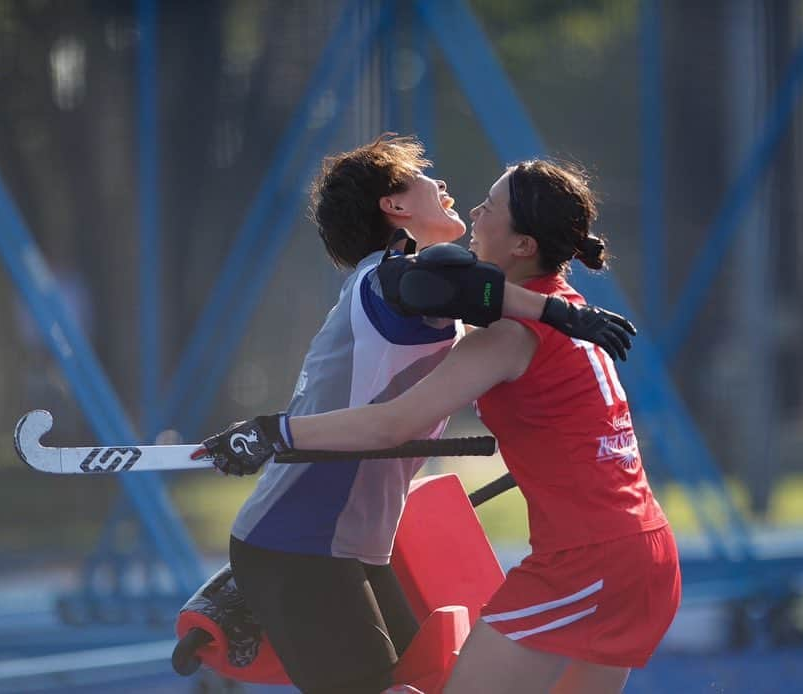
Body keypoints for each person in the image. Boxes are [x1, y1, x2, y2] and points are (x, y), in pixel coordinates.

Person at [200, 158, 681, 693]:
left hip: (587, 563)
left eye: (490, 206)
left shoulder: (501, 328)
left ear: (523, 246)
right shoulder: (566, 308)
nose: (474, 209)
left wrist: (274, 433)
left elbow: (394, 423)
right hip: (647, 551)